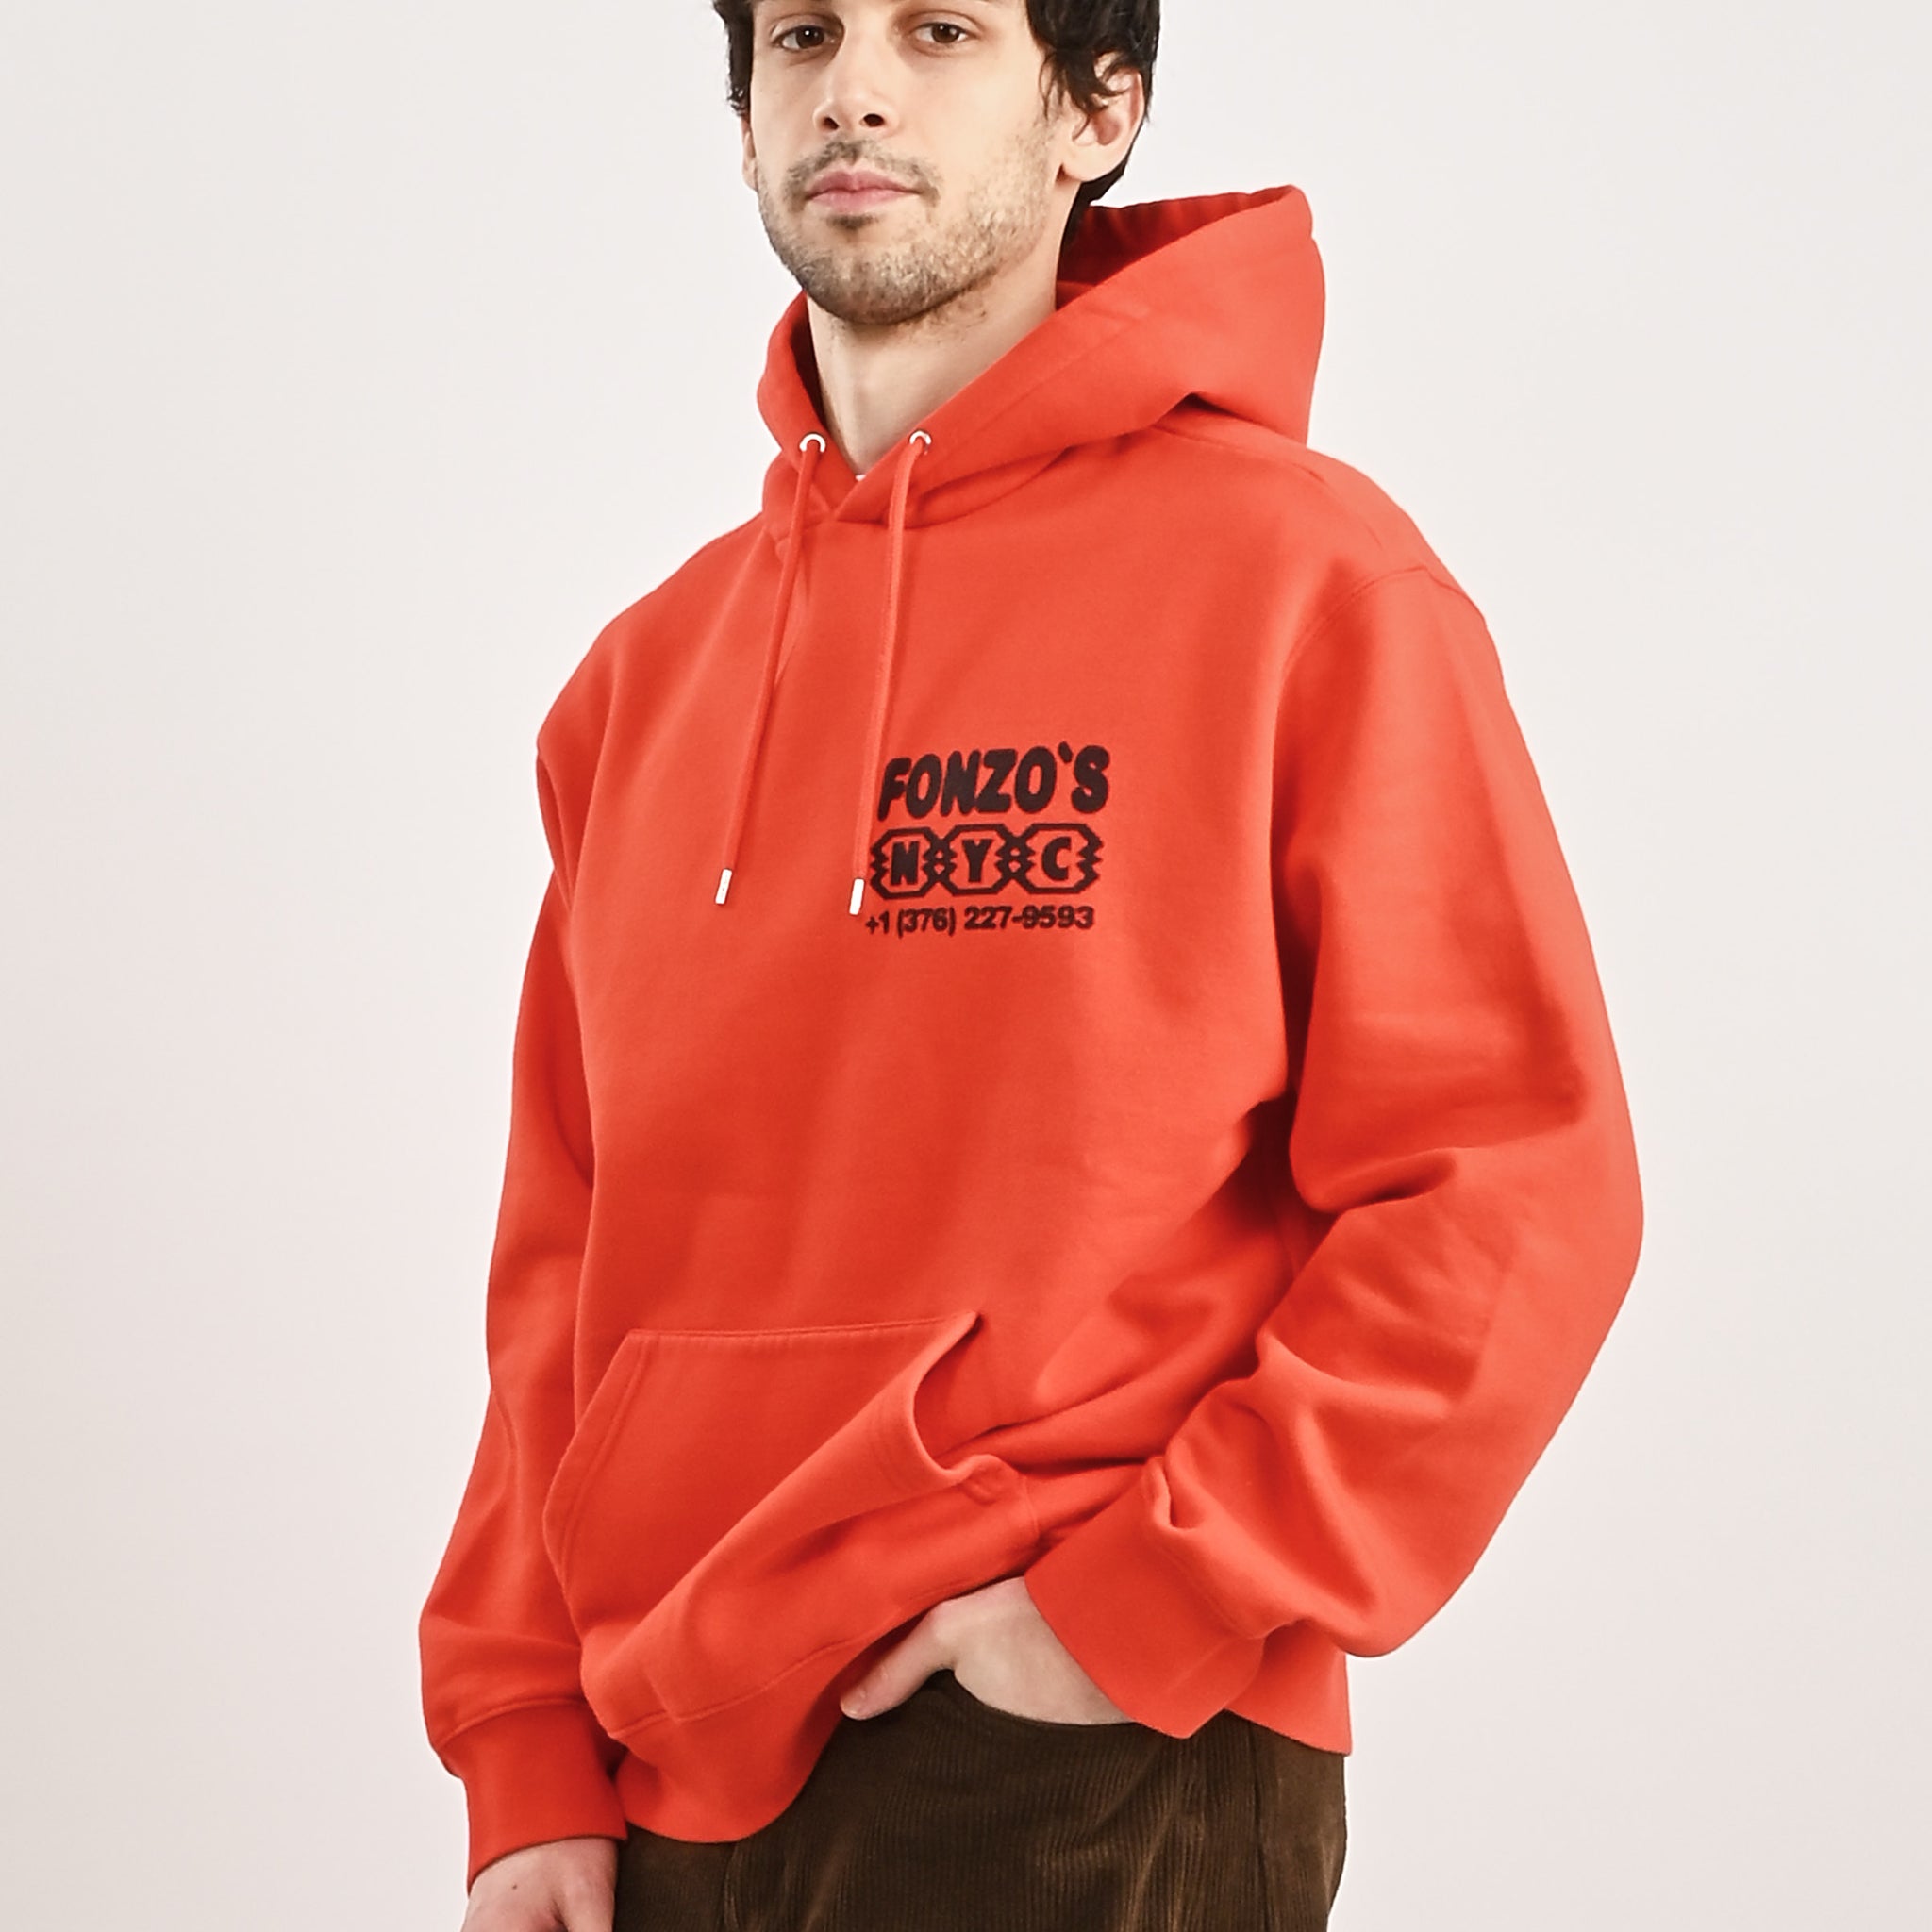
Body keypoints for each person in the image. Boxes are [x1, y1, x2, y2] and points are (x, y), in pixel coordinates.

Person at [417, 2, 1644, 1927]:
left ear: (1098, 110)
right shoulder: (642, 685)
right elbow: (561, 1271)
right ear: (742, 117)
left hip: (1075, 1748)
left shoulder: (1306, 583)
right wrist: (522, 1750)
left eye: (940, 31)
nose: (854, 87)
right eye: (803, 35)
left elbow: (1508, 1182)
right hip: (658, 1779)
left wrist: (1149, 1600)